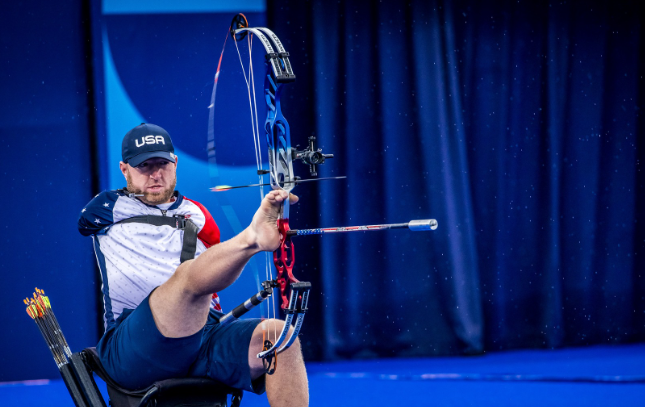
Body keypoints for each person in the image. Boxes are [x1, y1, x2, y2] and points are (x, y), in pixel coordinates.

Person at [78, 123, 308, 407]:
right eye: (143, 166)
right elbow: (84, 222)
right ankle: (251, 238)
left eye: (161, 163)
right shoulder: (107, 208)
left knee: (279, 337)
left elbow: (214, 271)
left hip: (201, 335)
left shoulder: (198, 214)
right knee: (185, 279)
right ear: (125, 170)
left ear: (175, 163)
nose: (155, 174)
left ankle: (252, 241)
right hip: (131, 346)